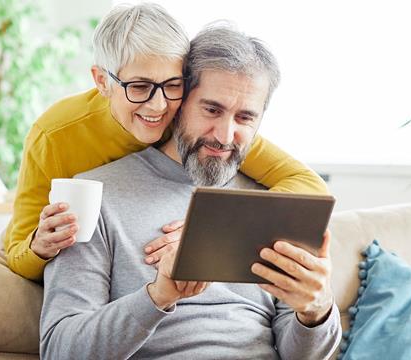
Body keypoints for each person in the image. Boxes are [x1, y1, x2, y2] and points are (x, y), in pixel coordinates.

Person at [40, 23, 341, 359]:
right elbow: (59, 350)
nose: (225, 136)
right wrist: (156, 297)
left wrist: (316, 310)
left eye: (244, 117)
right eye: (211, 110)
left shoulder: (274, 204)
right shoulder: (94, 195)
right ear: (178, 100)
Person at [3, 3, 329, 282]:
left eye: (172, 85)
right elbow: (16, 251)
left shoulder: (191, 121)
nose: (158, 106)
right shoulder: (56, 135)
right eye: (140, 86)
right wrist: (39, 247)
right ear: (102, 81)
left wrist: (211, 228)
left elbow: (309, 187)